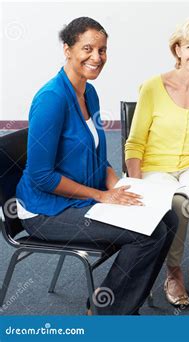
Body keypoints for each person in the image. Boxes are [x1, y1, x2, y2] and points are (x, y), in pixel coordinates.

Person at [15, 17, 178, 315]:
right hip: (46, 210)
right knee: (149, 234)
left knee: (168, 218)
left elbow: (96, 155)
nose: (96, 57)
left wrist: (118, 183)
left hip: (81, 199)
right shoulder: (51, 99)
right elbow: (41, 177)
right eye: (87, 49)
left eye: (102, 50)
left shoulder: (89, 92)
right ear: (67, 49)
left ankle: (118, 305)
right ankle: (106, 315)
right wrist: (101, 196)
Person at [125, 16, 189, 307]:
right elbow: (135, 143)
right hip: (156, 168)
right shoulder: (152, 87)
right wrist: (135, 183)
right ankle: (173, 273)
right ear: (178, 50)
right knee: (179, 204)